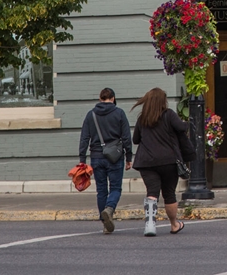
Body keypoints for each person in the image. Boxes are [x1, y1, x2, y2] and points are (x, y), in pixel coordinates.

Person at [131, 87, 189, 236]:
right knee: (169, 194)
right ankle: (174, 224)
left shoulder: (142, 118)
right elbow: (181, 128)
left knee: (152, 192)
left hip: (147, 162)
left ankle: (150, 224)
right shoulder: (169, 115)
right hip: (168, 161)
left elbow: (136, 139)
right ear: (163, 101)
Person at [78, 87, 133, 234]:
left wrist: (82, 159)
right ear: (113, 98)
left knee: (101, 190)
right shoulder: (119, 113)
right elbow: (127, 137)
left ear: (99, 98)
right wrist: (129, 157)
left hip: (96, 157)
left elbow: (84, 138)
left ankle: (105, 224)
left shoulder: (91, 115)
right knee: (115, 188)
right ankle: (109, 209)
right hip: (115, 157)